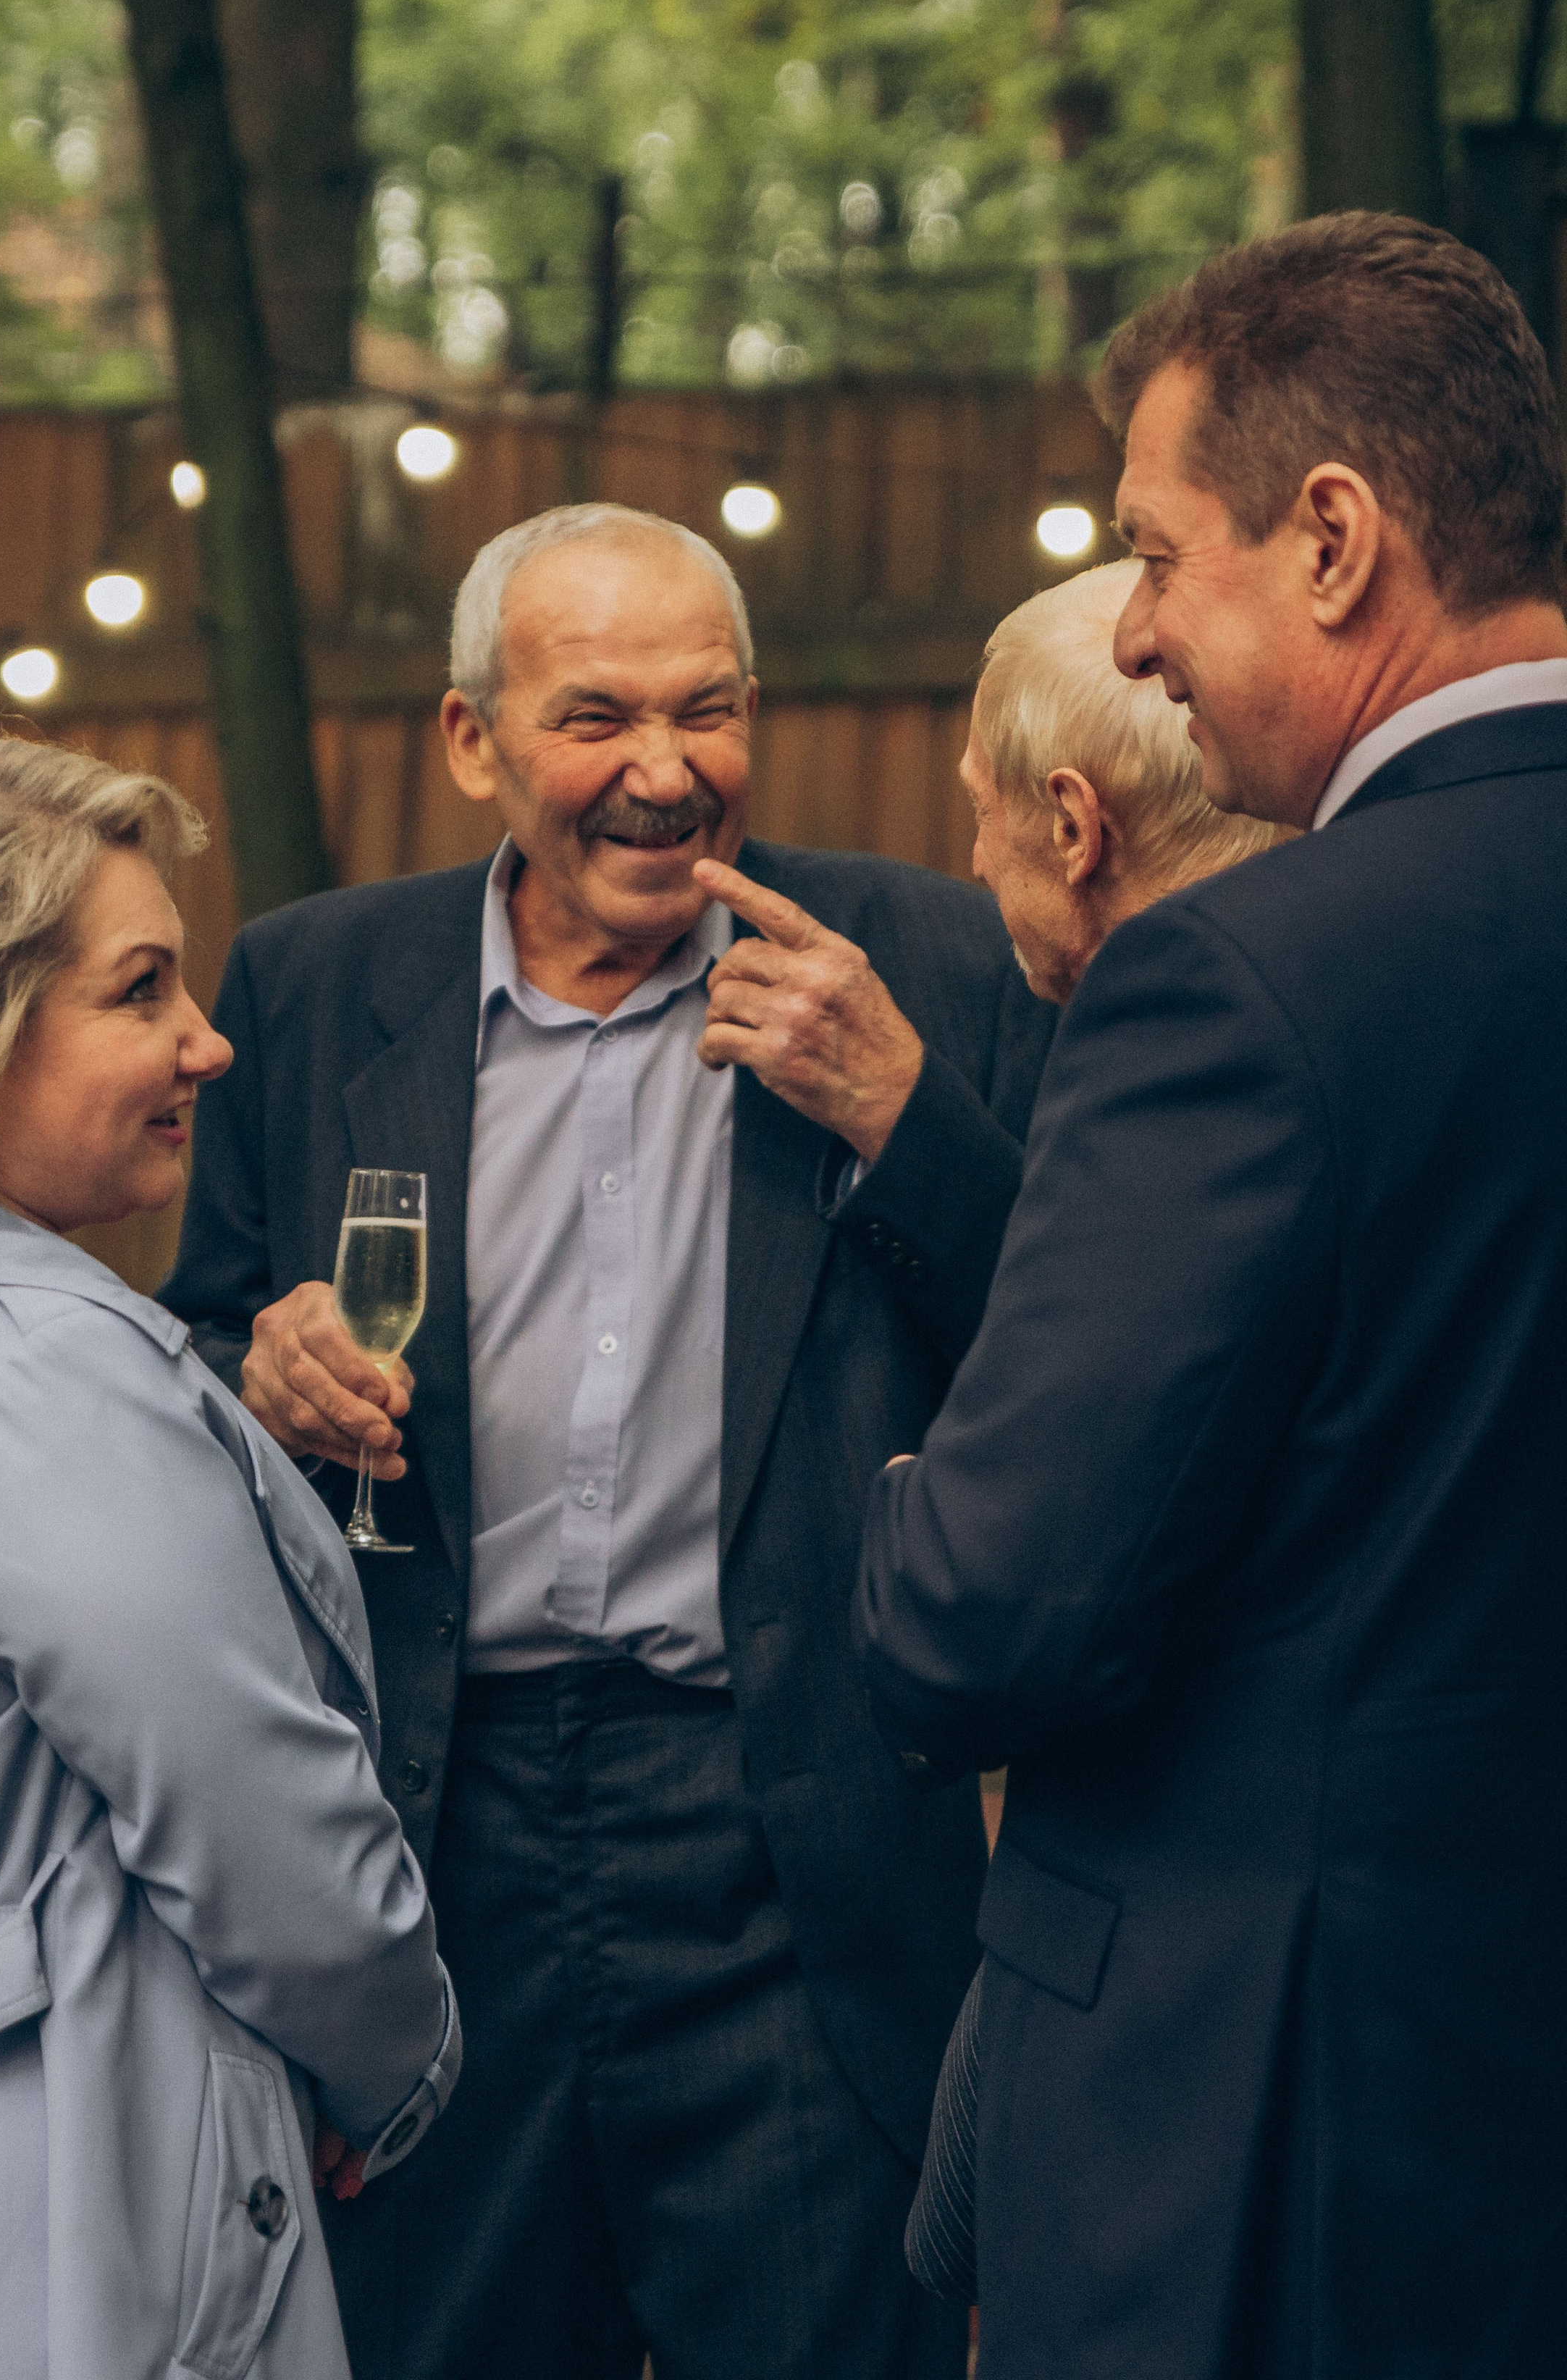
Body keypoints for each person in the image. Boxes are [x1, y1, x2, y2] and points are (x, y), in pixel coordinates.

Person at [161, 500, 1056, 2380]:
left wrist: (904, 1115)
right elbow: (186, 1351)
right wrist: (260, 1365)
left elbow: (1069, 1360)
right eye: (596, 720)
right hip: (434, 1824)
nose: (667, 771)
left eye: (708, 709)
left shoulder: (931, 966)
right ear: (474, 739)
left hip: (784, 1827)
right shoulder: (311, 988)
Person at [855, 211, 1567, 2379]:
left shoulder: (1238, 982)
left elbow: (986, 1609)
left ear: (1333, 536)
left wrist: (907, 1502)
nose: (1140, 634)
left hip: (1271, 2119)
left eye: (1157, 555)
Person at [0, 730, 458, 2380]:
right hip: (54, 2231)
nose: (206, 1044)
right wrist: (394, 2068)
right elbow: (276, 1849)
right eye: (139, 993)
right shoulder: (42, 1373)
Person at [900, 556, 1276, 2305]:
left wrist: (912, 1508)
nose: (969, 868)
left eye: (974, 824)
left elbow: (992, 1595)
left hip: (1195, 1993)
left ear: (1066, 824)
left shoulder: (1172, 1028)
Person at [957, 556, 1277, 1007]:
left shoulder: (1146, 1048)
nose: (978, 864)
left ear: (1074, 829)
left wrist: (903, 1080)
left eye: (982, 808)